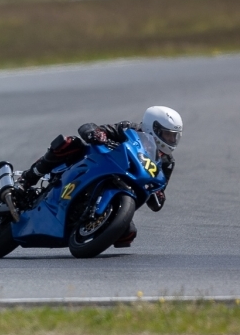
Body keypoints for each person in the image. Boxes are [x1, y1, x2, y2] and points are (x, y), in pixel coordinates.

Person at [18, 105, 183, 246]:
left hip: (128, 185)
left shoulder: (167, 162)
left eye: (174, 136)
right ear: (152, 127)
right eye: (167, 134)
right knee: (70, 143)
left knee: (127, 234)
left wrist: (159, 194)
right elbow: (89, 127)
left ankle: (94, 224)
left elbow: (158, 194)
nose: (171, 139)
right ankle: (29, 177)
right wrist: (96, 133)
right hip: (98, 165)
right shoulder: (129, 129)